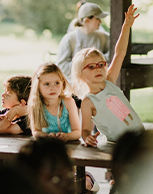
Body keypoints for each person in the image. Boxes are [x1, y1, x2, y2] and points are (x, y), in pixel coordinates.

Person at [71, 4, 144, 146]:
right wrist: (87, 137)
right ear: (81, 75)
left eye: (100, 64)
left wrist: (126, 27)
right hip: (116, 145)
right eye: (91, 67)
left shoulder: (109, 80)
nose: (98, 69)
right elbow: (85, 129)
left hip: (139, 138)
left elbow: (119, 53)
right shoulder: (88, 101)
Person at [56, 2, 110, 83]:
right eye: (98, 18)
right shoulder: (70, 39)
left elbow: (114, 56)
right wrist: (86, 65)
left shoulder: (104, 37)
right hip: (75, 90)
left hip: (99, 88)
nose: (100, 22)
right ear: (87, 20)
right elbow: (61, 66)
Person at [28, 63, 80, 142]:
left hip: (68, 146)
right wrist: (48, 136)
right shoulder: (35, 105)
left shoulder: (68, 102)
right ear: (38, 86)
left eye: (57, 83)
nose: (53, 88)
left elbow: (77, 132)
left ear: (62, 83)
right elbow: (36, 132)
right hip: (47, 145)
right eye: (47, 84)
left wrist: (67, 136)